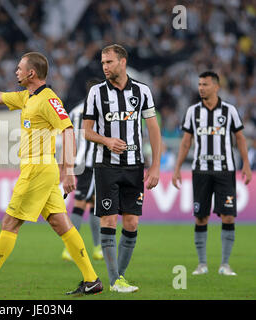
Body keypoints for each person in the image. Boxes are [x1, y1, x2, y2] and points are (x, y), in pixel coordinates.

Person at [0, 52, 103, 295]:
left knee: (10, 222)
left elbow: (68, 130)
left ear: (32, 73)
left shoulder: (49, 100)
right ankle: (92, 280)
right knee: (62, 224)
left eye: (19, 68)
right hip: (40, 170)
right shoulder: (27, 97)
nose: (15, 71)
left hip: (38, 169)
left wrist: (69, 169)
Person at [83, 44, 162, 292]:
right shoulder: (96, 93)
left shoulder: (142, 91)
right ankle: (115, 280)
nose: (105, 67)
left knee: (131, 223)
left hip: (134, 166)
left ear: (123, 62)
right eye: (103, 63)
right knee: (108, 219)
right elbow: (85, 131)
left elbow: (153, 130)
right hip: (106, 165)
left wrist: (156, 166)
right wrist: (106, 141)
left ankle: (120, 277)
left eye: (109, 62)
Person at [172, 71, 252, 276]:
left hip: (225, 170)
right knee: (201, 217)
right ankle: (202, 264)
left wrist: (246, 165)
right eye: (199, 84)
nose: (201, 88)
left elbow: (240, 139)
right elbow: (186, 142)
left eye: (205, 84)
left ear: (216, 87)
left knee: (228, 216)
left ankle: (225, 264)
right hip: (201, 171)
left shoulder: (229, 111)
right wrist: (177, 168)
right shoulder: (192, 112)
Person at [61, 79, 102, 262]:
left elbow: (67, 139)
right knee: (80, 203)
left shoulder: (75, 111)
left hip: (77, 163)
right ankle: (70, 248)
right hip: (91, 163)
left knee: (94, 203)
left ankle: (97, 248)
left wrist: (65, 164)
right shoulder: (99, 112)